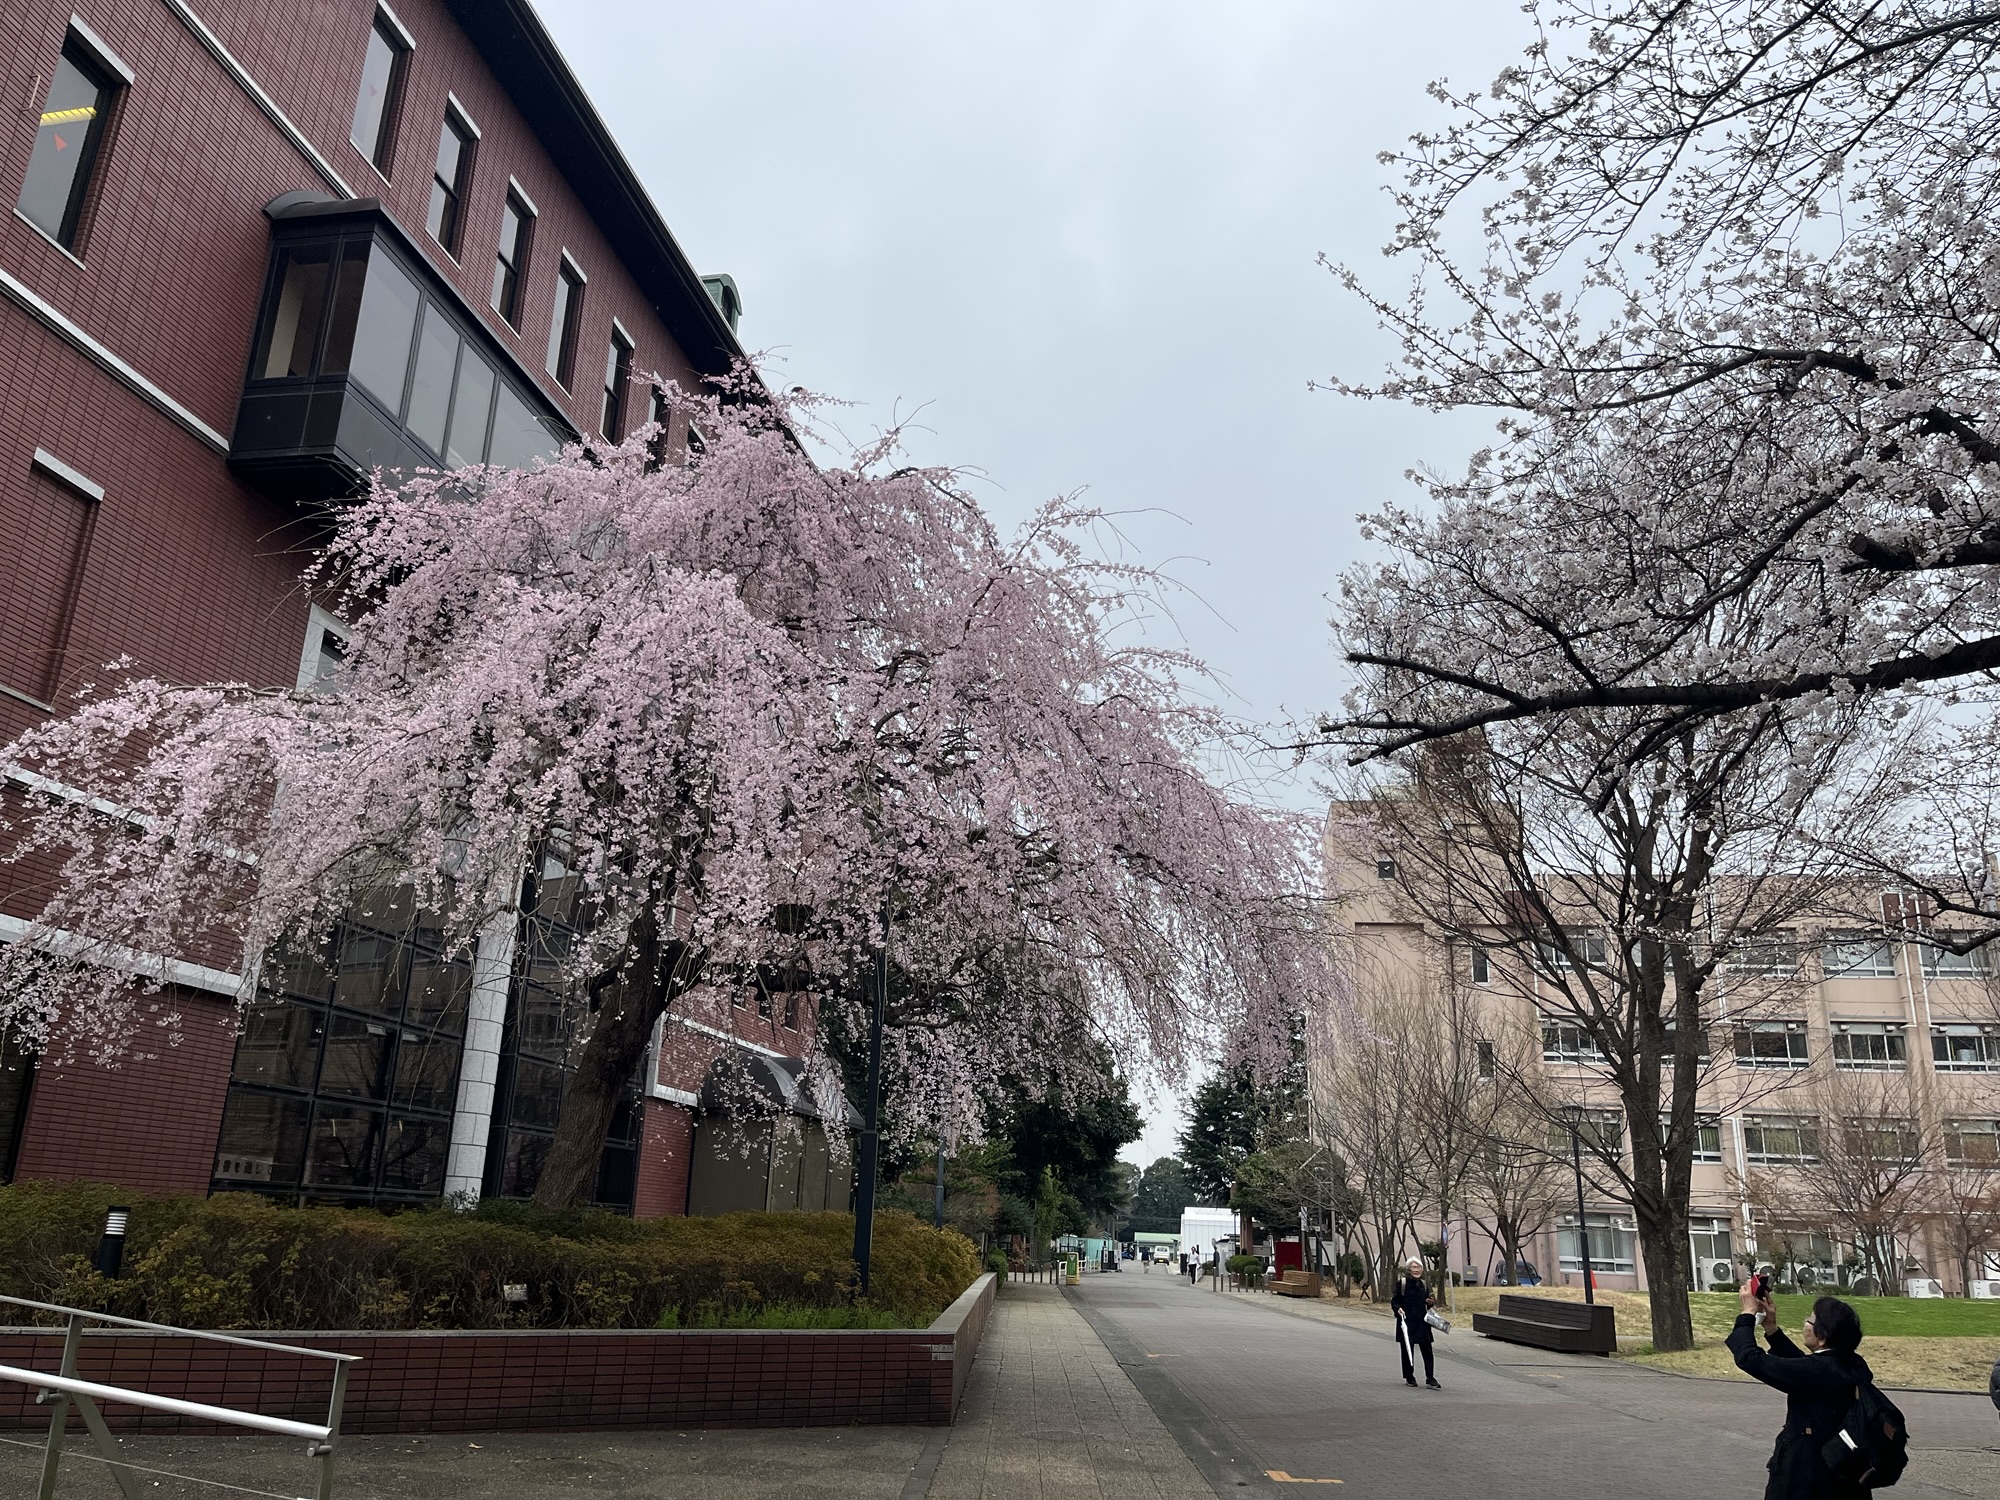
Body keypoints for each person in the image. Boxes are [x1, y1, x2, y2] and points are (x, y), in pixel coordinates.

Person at [1726, 1284, 1871, 1499]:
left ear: (1822, 1335)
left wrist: (1747, 1315)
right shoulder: (1851, 1364)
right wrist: (1772, 1329)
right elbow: (1802, 1368)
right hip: (1843, 1475)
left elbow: (1750, 1359)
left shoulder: (1819, 1370)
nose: (1805, 1323)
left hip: (1809, 1479)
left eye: (1810, 1320)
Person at [1391, 1256, 1439, 1389]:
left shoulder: (1424, 1284)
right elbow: (1395, 1300)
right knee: (1407, 1350)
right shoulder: (1402, 1283)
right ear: (1408, 1269)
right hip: (1407, 1322)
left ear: (1422, 1270)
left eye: (1418, 1267)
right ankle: (1409, 1377)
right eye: (1414, 1267)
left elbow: (1428, 1302)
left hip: (1422, 1323)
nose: (1416, 1270)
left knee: (1427, 1351)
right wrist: (1398, 1309)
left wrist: (1430, 1302)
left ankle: (1430, 1378)